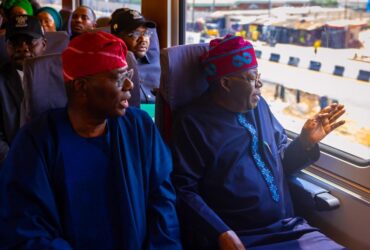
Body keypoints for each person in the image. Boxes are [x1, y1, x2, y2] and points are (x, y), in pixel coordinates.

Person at [0, 31, 181, 249]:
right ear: (81, 87)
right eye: (119, 78)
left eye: (129, 75)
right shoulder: (34, 142)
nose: (129, 87)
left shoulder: (140, 127)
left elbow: (162, 203)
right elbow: (26, 227)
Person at [171, 35, 346, 250]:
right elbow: (184, 189)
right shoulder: (192, 122)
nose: (260, 84)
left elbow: (279, 163)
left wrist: (305, 143)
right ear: (226, 83)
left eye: (259, 76)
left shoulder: (258, 106)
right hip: (238, 237)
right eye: (252, 78)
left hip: (288, 227)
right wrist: (220, 232)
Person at [0, 14, 46, 166]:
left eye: (30, 41)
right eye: (15, 43)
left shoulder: (59, 79)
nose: (23, 48)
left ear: (44, 44)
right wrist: (16, 165)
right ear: (6, 47)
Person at [111, 8, 159, 103]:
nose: (143, 39)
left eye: (146, 33)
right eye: (135, 34)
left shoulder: (159, 63)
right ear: (117, 37)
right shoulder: (110, 69)